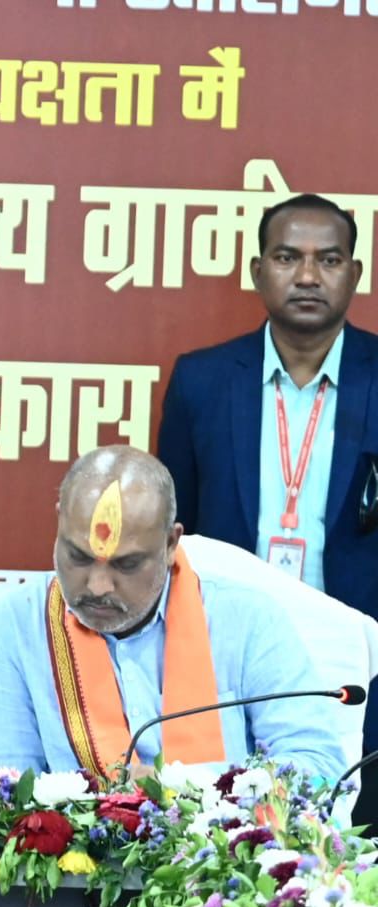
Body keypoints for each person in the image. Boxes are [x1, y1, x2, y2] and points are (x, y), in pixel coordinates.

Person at [0, 446, 345, 781]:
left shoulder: (247, 621)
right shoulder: (12, 625)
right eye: (78, 557)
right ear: (59, 524)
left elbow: (320, 768)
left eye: (126, 564)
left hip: (219, 838)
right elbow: (1, 793)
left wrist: (185, 790)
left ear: (170, 543)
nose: (97, 586)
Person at [158, 193, 378, 622]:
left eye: (329, 261)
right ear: (258, 273)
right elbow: (173, 527)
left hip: (361, 642)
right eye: (287, 258)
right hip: (227, 638)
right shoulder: (200, 382)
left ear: (355, 275)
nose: (308, 277)